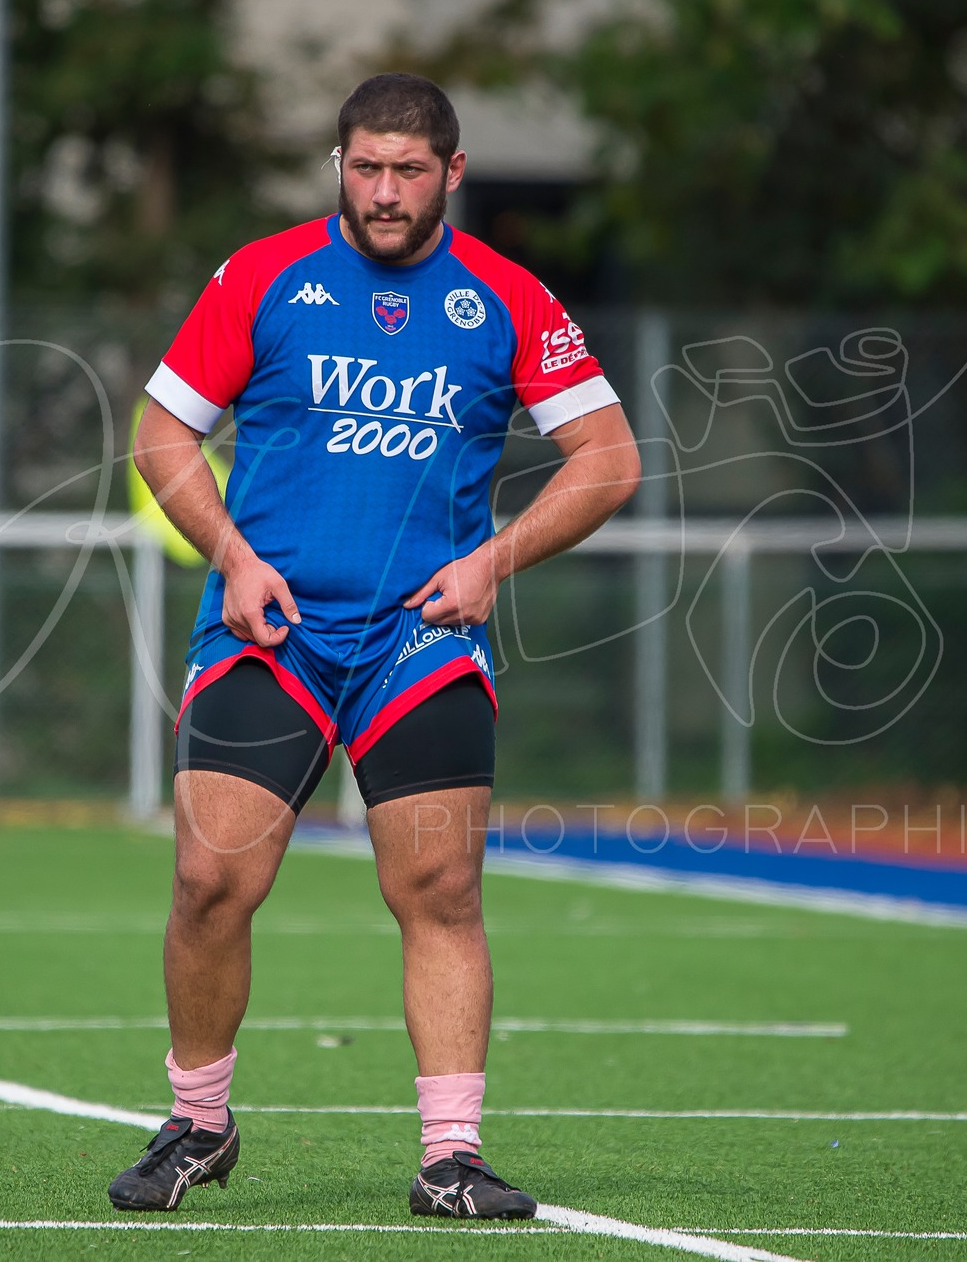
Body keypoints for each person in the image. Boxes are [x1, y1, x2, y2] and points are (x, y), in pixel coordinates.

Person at [113, 73, 639, 1218]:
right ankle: (199, 1121)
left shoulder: (505, 296)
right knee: (210, 881)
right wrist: (234, 555)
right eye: (364, 166)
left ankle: (450, 1154)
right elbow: (161, 431)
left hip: (421, 637)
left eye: (407, 170)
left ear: (451, 173)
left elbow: (607, 458)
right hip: (273, 630)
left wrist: (496, 557)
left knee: (438, 888)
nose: (384, 190)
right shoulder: (260, 276)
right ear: (336, 165)